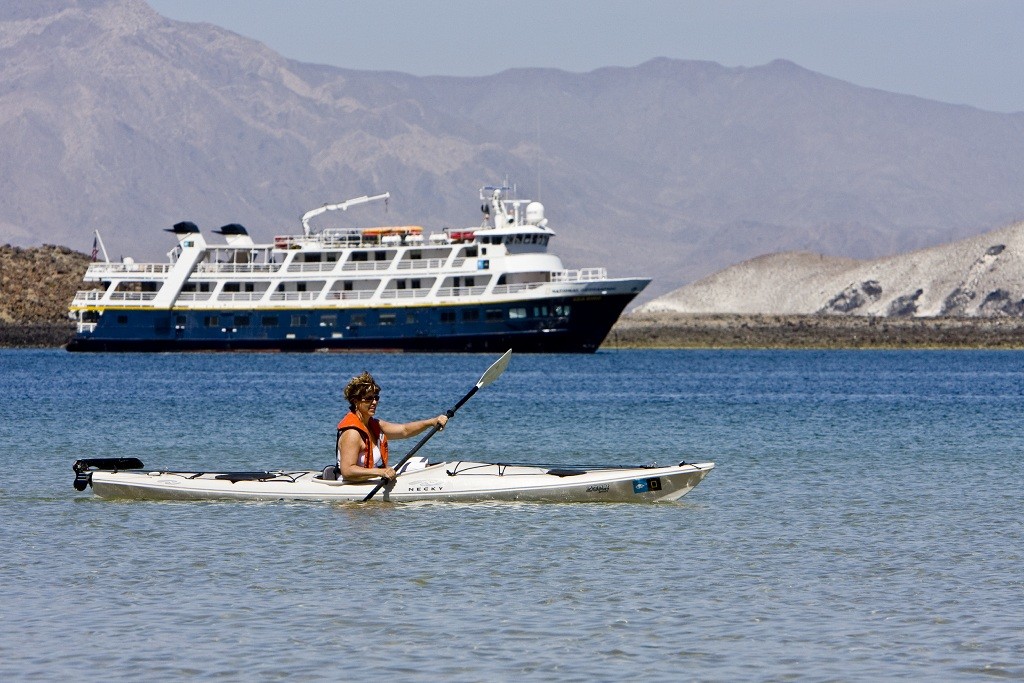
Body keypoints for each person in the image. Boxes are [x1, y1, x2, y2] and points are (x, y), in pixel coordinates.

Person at [337, 371, 449, 482]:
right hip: (352, 484)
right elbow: (347, 471)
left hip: (371, 479)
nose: (374, 402)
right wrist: (381, 472)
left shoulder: (374, 425)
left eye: (376, 398)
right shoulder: (352, 433)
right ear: (355, 401)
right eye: (368, 398)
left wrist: (432, 422)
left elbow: (404, 430)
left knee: (419, 462)